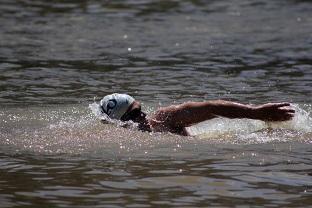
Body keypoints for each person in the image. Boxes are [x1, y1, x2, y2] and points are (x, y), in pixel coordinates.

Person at [98, 93, 295, 136]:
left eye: (140, 110)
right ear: (118, 123)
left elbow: (211, 107)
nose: (143, 117)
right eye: (133, 116)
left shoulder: (165, 119)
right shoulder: (111, 138)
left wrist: (256, 113)